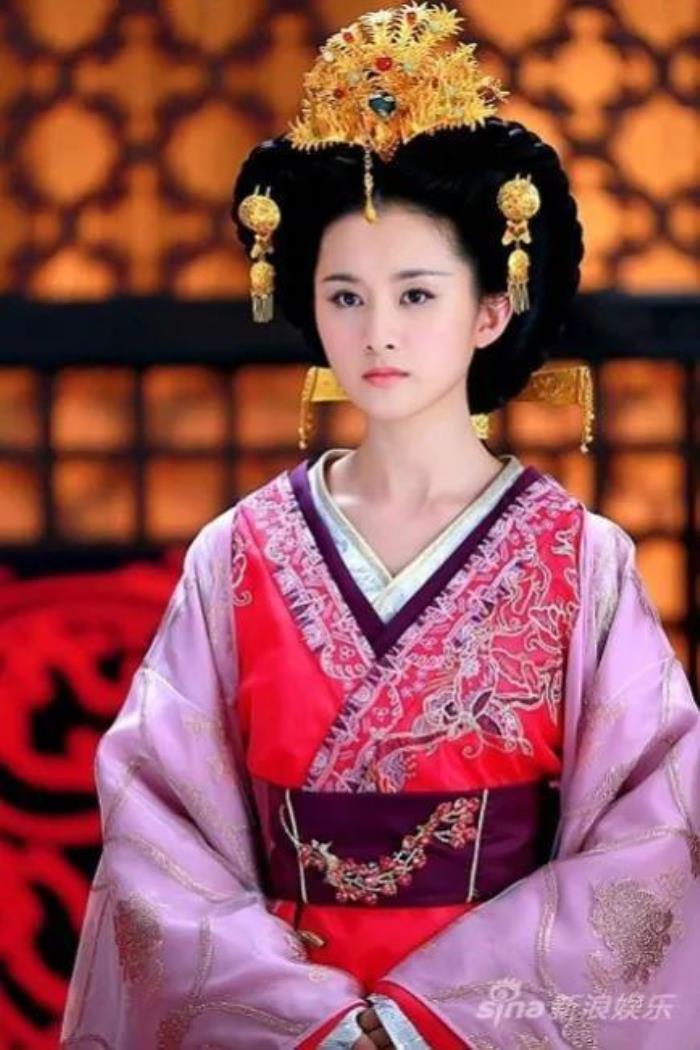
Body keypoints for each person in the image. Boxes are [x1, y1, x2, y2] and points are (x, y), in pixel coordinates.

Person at [61, 4, 700, 1048]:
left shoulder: (582, 561)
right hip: (279, 1026)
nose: (379, 333)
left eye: (416, 294)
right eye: (346, 296)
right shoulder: (238, 554)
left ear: (489, 310)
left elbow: (648, 832)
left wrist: (418, 1020)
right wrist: (310, 1017)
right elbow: (159, 826)